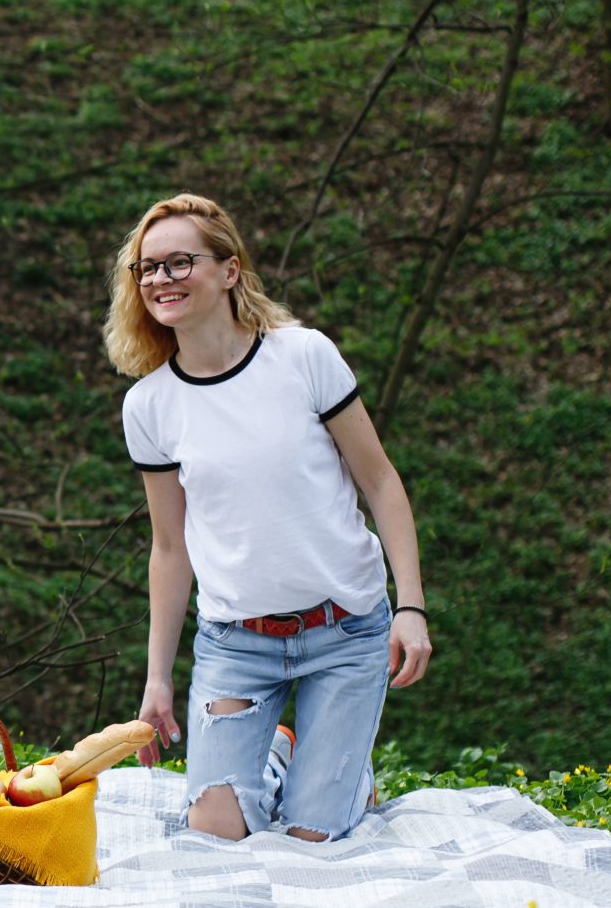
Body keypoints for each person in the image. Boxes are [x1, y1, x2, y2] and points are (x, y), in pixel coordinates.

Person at [108, 193, 431, 843]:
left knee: (312, 835)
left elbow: (381, 480)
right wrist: (157, 678)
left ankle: (342, 780)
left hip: (345, 631)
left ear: (230, 270)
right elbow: (170, 548)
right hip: (238, 645)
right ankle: (289, 754)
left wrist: (412, 607)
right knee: (216, 828)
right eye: (147, 268)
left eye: (179, 262)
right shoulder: (150, 406)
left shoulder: (304, 357)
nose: (160, 279)